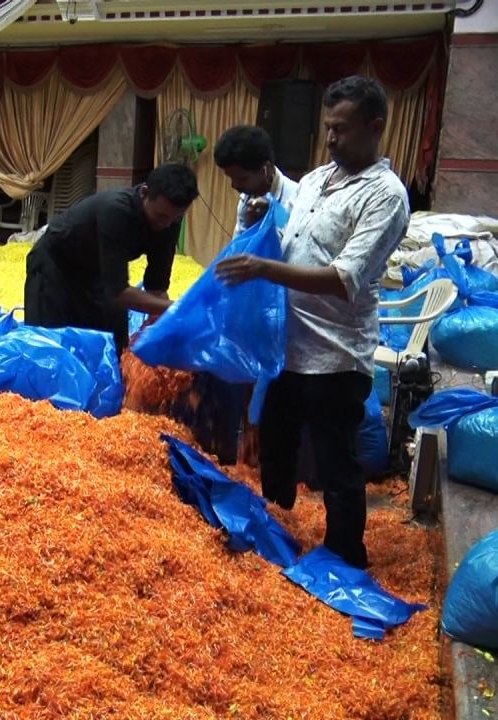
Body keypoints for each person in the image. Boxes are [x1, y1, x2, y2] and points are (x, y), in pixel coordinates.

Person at [216, 76, 409, 569]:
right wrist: (267, 220)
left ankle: (346, 558)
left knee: (335, 465)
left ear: (375, 126)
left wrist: (263, 268)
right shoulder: (319, 179)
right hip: (289, 347)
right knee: (276, 446)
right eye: (327, 128)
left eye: (341, 129)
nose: (330, 139)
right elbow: (295, 236)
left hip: (336, 356)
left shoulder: (385, 196)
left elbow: (345, 277)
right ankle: (279, 536)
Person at [24, 163, 199, 351]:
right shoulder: (117, 211)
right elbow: (118, 292)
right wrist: (174, 307)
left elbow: (157, 286)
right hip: (55, 265)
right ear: (144, 193)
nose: (166, 224)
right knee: (51, 347)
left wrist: (162, 322)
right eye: (161, 216)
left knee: (115, 346)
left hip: (97, 272)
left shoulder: (170, 221)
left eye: (174, 218)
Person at [213, 125, 300, 234]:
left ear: (266, 169)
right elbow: (240, 248)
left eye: (242, 179)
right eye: (231, 178)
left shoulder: (297, 201)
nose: (234, 185)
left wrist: (265, 227)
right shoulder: (246, 201)